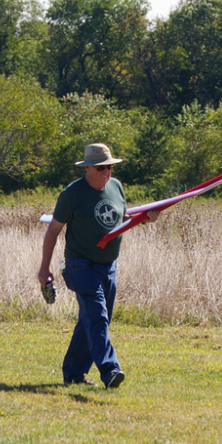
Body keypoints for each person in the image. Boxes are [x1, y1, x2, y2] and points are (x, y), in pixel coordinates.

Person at [38, 143, 157, 389]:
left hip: (108, 266)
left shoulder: (116, 187)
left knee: (91, 321)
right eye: (102, 168)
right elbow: (53, 231)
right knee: (97, 318)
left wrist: (145, 218)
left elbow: (120, 216)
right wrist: (44, 268)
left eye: (110, 167)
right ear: (88, 168)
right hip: (80, 265)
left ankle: (73, 373)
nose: (107, 173)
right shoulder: (72, 193)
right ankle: (110, 370)